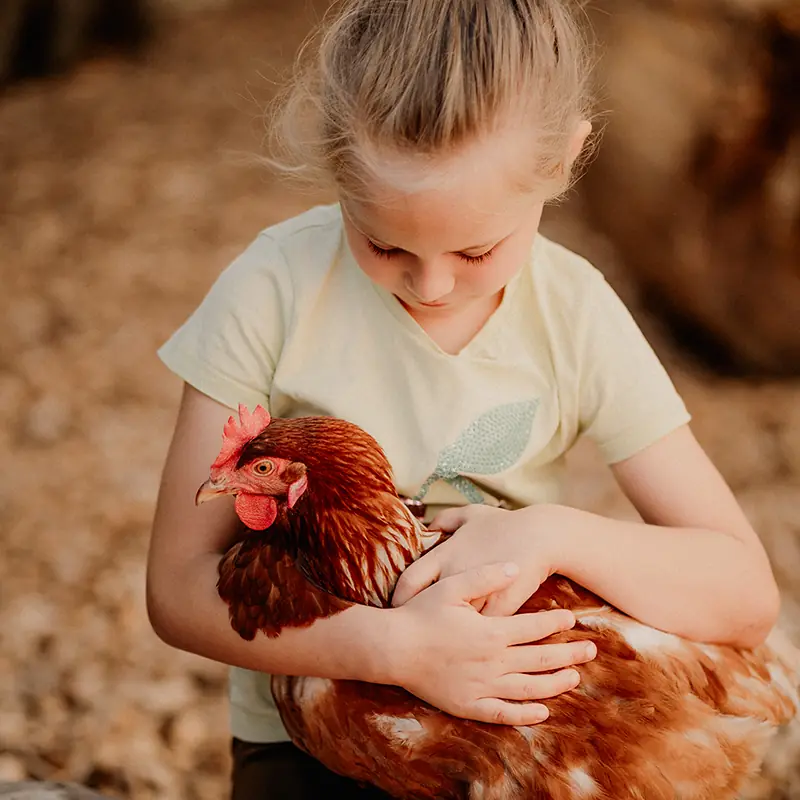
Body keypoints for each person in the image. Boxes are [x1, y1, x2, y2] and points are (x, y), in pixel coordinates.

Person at [146, 0, 781, 797]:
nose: (433, 284)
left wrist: (550, 534)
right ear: (336, 160)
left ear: (566, 158)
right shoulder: (271, 291)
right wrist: (396, 649)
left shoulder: (575, 314)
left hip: (517, 732)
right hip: (310, 740)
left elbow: (743, 592)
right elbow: (176, 589)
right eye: (384, 243)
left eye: (477, 248)